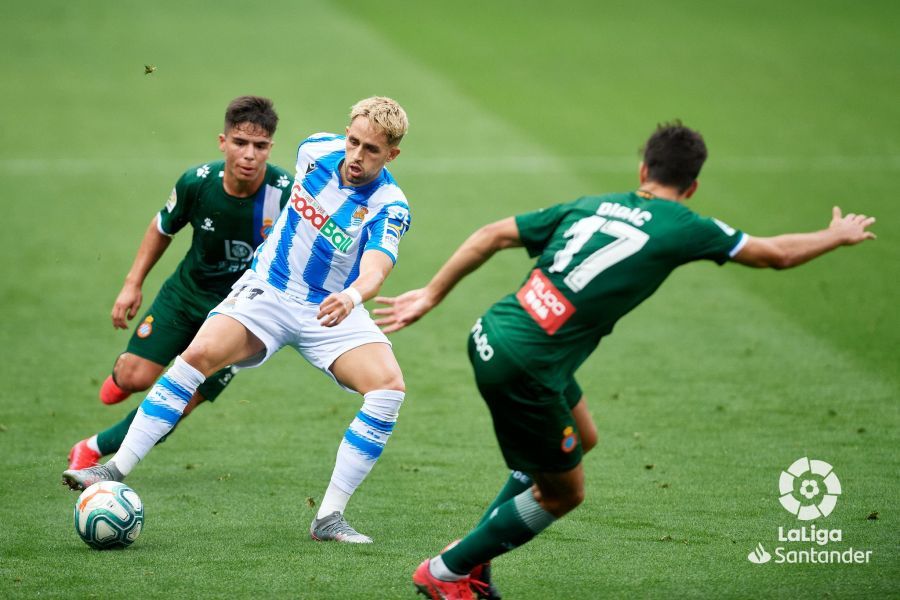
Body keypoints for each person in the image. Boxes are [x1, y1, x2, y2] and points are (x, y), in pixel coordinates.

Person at [372, 122, 877, 599]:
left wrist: (432, 294)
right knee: (564, 494)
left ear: (643, 171)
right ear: (693, 186)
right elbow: (776, 254)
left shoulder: (595, 205)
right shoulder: (685, 224)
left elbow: (491, 234)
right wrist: (836, 235)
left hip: (498, 330)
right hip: (529, 363)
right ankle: (446, 571)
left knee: (581, 437)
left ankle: (473, 559)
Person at [63, 96, 413, 544]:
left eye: (372, 150)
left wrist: (352, 295)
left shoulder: (390, 205)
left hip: (330, 306)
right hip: (268, 290)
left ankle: (328, 518)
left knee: (388, 390)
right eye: (354, 142)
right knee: (198, 355)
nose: (357, 157)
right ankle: (112, 469)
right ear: (344, 135)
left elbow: (377, 267)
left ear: (392, 155)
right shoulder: (315, 151)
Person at [67, 95, 292, 471]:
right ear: (223, 142)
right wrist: (131, 284)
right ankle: (125, 379)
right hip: (187, 296)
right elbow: (162, 228)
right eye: (240, 143)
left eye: (260, 146)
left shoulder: (285, 192)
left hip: (243, 316)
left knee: (180, 401)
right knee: (134, 376)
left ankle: (92, 448)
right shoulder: (197, 183)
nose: (250, 154)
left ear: (271, 147)